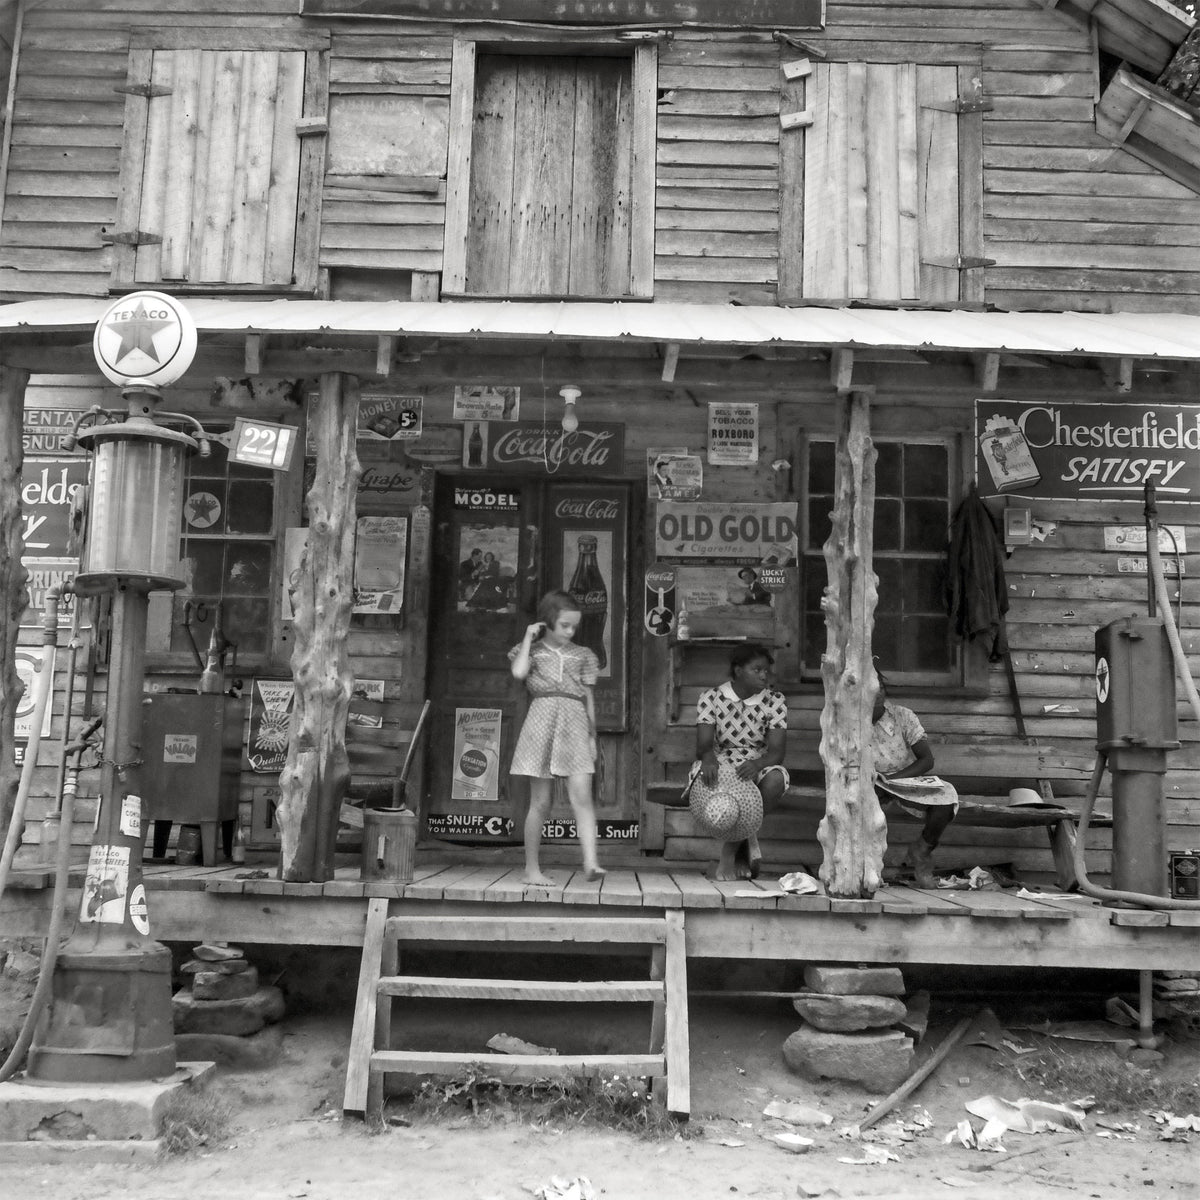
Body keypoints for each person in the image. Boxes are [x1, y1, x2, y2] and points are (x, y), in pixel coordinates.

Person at [509, 589, 605, 886]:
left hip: (575, 723)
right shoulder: (532, 652)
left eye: (574, 626)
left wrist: (592, 737)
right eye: (564, 625)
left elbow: (588, 697)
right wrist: (528, 638)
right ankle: (532, 870)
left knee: (582, 796)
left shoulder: (584, 655)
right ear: (547, 622)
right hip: (541, 721)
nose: (570, 631)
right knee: (541, 801)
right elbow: (519, 672)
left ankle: (590, 862)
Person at [689, 644, 789, 880]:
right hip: (720, 760)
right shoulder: (711, 697)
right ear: (738, 671)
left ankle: (729, 853)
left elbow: (777, 752)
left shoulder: (775, 701)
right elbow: (703, 745)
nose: (764, 675)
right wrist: (709, 758)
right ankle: (747, 842)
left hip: (757, 763)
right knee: (710, 776)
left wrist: (758, 764)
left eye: (766, 670)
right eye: (757, 670)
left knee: (775, 780)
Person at [871, 676, 957, 888]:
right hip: (870, 782)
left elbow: (926, 760)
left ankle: (922, 850)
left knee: (945, 801)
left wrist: (894, 780)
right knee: (861, 806)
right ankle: (870, 868)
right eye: (871, 687)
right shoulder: (851, 721)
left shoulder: (902, 716)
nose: (878, 692)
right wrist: (878, 781)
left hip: (904, 779)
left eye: (881, 686)